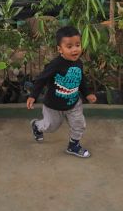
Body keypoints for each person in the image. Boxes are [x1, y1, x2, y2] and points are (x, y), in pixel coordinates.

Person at [27, 26, 97, 158]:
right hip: (53, 106)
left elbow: (80, 80)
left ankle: (73, 146)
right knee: (51, 127)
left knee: (79, 124)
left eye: (77, 45)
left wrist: (87, 93)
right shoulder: (55, 65)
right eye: (69, 46)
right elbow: (41, 79)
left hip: (73, 103)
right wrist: (33, 96)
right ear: (60, 49)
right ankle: (36, 125)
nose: (75, 49)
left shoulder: (79, 63)